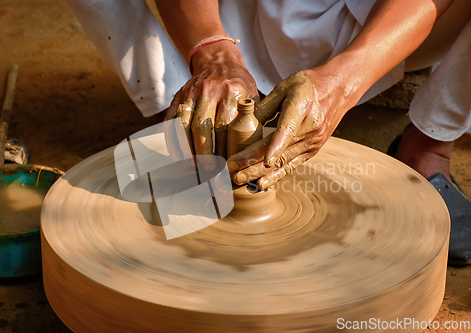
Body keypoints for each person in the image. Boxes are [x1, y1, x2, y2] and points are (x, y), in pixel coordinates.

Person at [65, 0, 471, 263]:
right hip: (239, 16)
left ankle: (429, 144)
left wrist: (343, 84)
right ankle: (179, 112)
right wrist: (213, 50)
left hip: (391, 27)